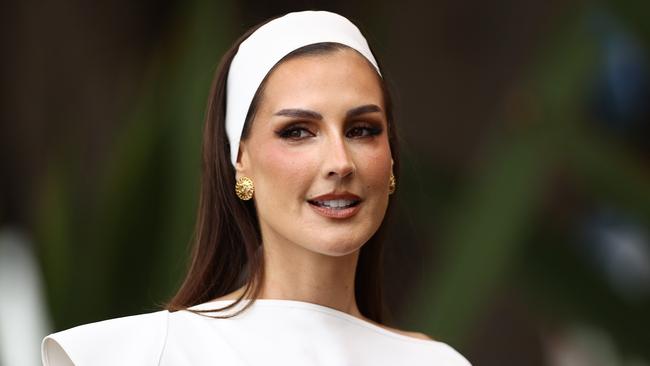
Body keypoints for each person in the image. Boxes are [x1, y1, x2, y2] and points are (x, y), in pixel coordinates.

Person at [41, 10, 471, 366]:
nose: (340, 162)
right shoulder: (139, 355)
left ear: (391, 158)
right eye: (298, 131)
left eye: (362, 129)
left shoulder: (438, 362)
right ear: (239, 159)